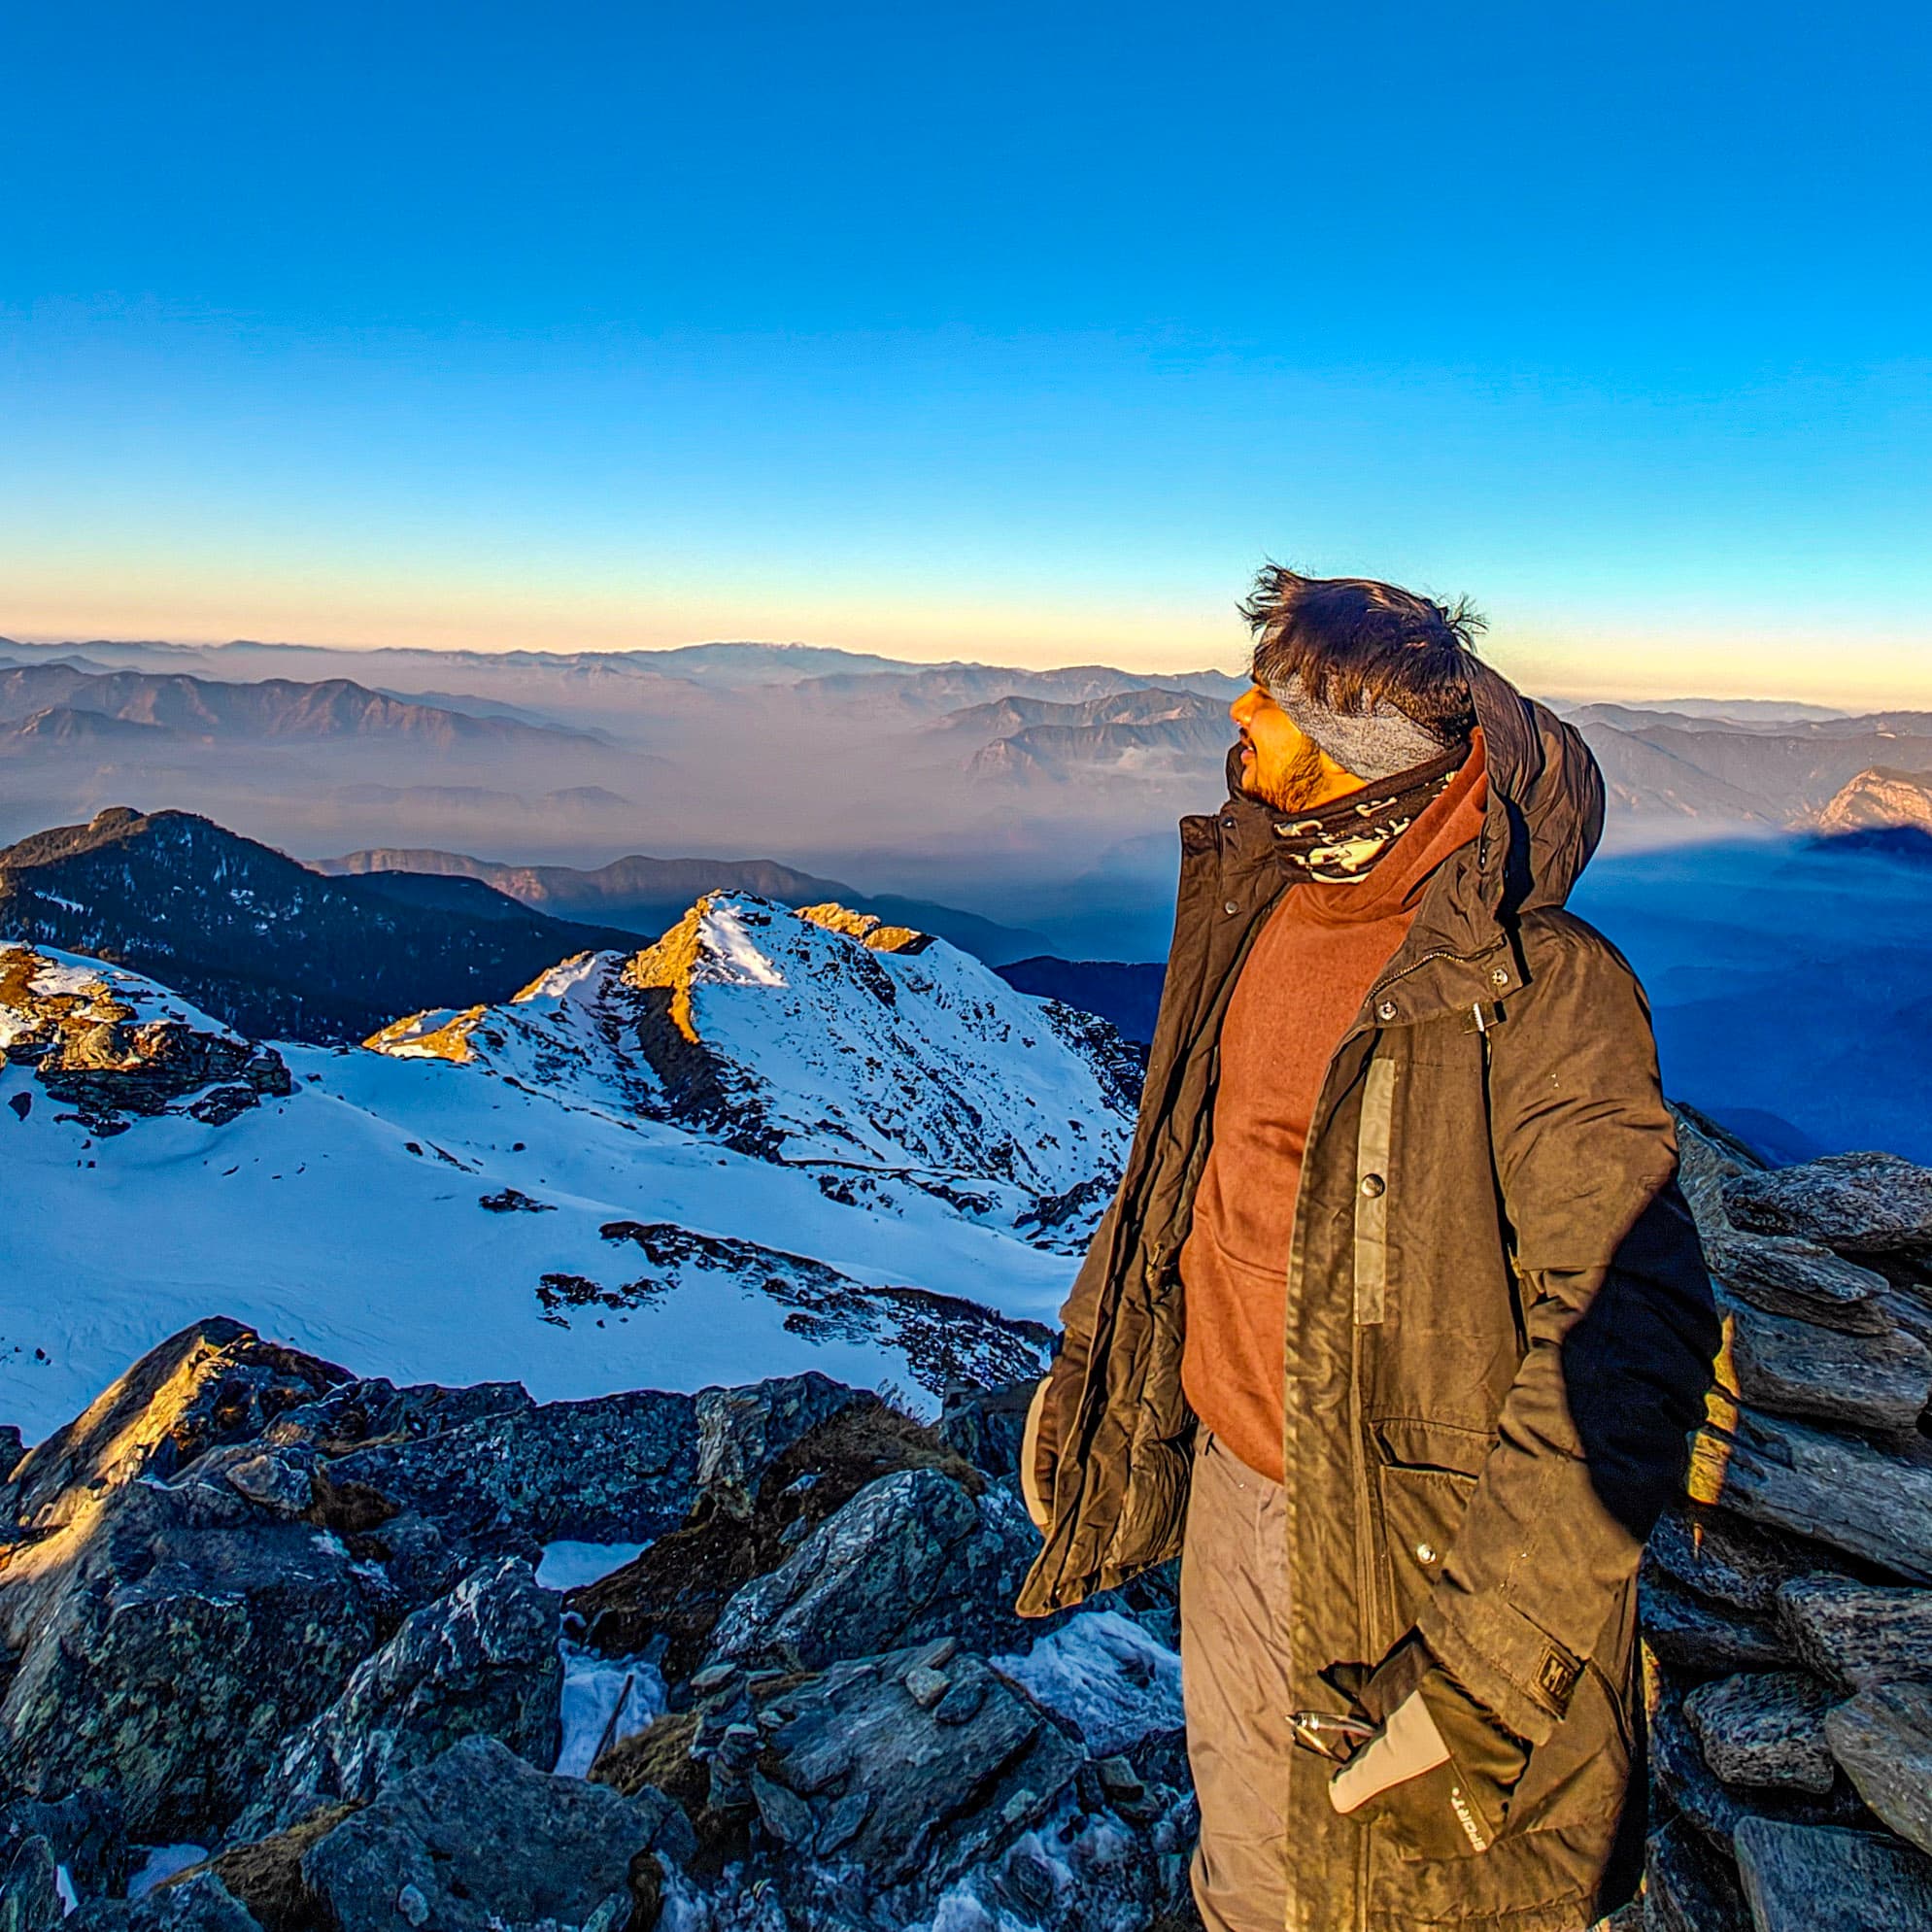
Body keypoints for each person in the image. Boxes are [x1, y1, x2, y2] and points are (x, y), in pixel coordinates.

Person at [1015, 568, 1718, 1932]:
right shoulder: (1264, 904)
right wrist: (1088, 1385)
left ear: (1357, 750)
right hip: (1232, 1494)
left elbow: (1628, 1334)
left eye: (1271, 700)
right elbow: (1184, 1178)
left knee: (1411, 1899)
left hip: (1417, 1559)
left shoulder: (1538, 989)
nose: (1236, 713)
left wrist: (1488, 1672)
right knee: (1249, 1873)